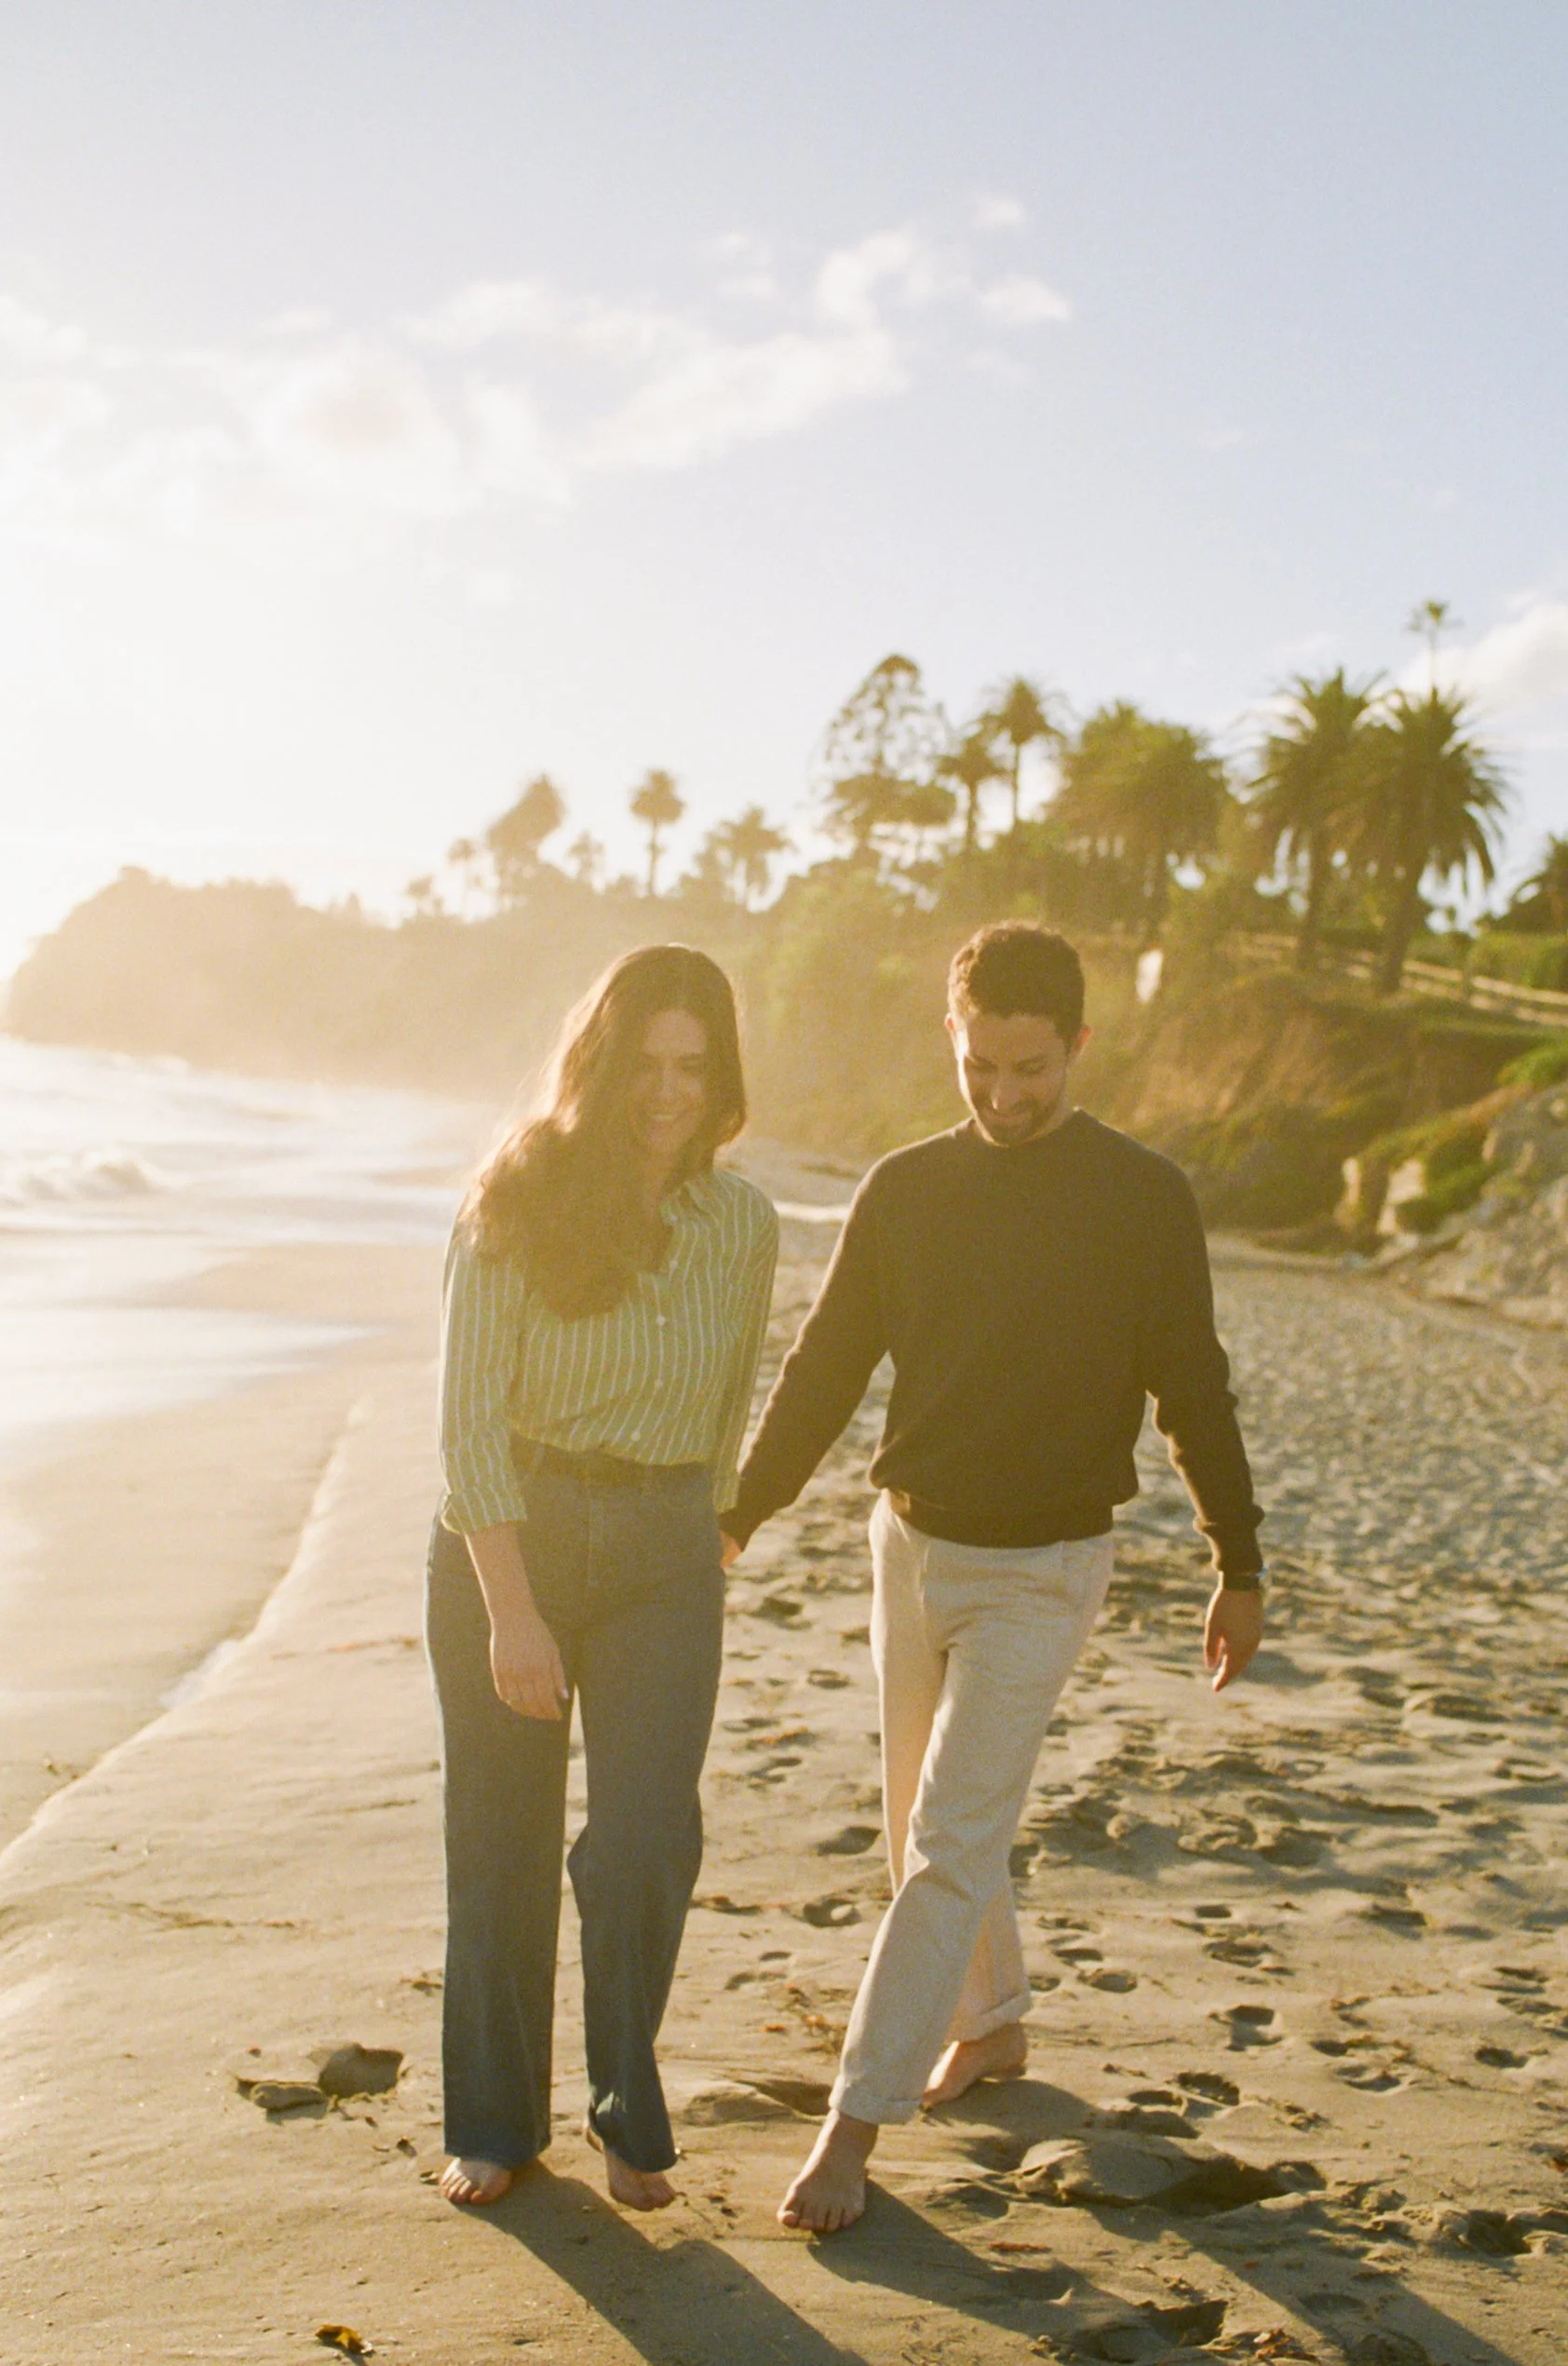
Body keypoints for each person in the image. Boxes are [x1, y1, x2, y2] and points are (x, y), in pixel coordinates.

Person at [720, 921, 1265, 2234]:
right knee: (928, 1828)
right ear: (952, 1045)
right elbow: (827, 1367)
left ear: (1079, 1045)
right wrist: (735, 1517)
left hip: (1046, 1568)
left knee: (948, 1847)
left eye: (1032, 1069)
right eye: (981, 1070)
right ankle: (997, 2024)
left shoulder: (1142, 1197)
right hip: (907, 1548)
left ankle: (857, 2127)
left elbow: (1192, 1389)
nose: (1007, 1098)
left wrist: (1235, 1560)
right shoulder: (906, 1188)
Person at [428, 944, 777, 2212]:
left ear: (722, 1075)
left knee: (643, 1839)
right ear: (603, 1060)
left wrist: (707, 1538)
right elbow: (467, 1428)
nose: (669, 1091)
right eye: (647, 1062)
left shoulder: (744, 1224)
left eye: (694, 1066)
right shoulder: (512, 1199)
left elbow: (730, 1402)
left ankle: (627, 2105)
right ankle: (496, 2125)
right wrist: (512, 1613)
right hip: (511, 1538)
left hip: (665, 1550)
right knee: (501, 1841)